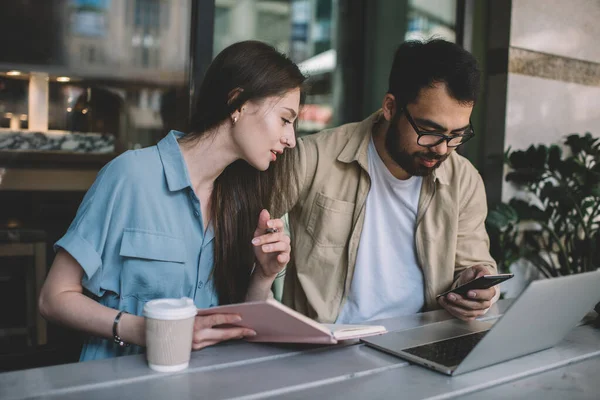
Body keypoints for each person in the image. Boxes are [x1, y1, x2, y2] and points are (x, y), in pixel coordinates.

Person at [39, 41, 305, 361]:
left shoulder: (244, 202)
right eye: (285, 119)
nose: (291, 139)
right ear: (238, 103)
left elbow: (235, 328)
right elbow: (53, 299)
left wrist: (262, 275)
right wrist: (152, 331)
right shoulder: (130, 176)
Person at [276, 39, 498, 324]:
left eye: (457, 135)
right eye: (430, 131)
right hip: (325, 347)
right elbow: (243, 233)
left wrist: (474, 285)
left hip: (420, 342)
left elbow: (472, 264)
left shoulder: (463, 180)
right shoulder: (314, 157)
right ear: (390, 107)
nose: (443, 148)